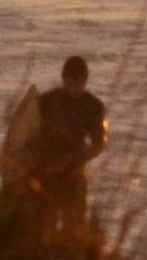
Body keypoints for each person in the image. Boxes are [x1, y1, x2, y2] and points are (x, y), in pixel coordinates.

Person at [18, 54, 109, 229]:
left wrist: (78, 158)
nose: (75, 85)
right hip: (45, 170)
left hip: (73, 173)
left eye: (79, 80)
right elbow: (28, 134)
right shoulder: (45, 102)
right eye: (71, 79)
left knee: (73, 228)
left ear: (85, 80)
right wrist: (29, 159)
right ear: (63, 78)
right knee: (43, 226)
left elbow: (98, 143)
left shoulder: (92, 106)